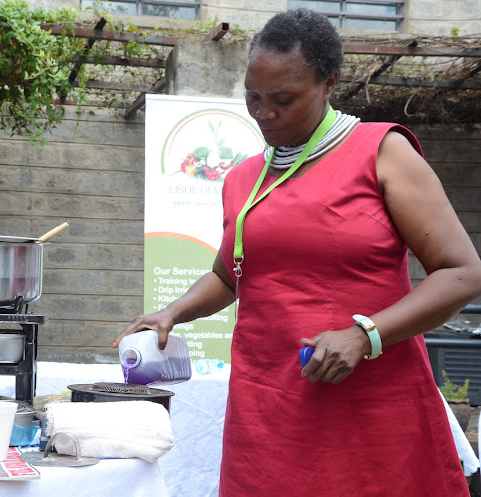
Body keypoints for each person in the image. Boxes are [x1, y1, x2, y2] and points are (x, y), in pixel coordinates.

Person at [113, 8, 481, 496]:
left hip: (368, 405)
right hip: (269, 408)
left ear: (329, 83)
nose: (264, 112)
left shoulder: (381, 152)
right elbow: (232, 275)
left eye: (284, 99)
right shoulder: (244, 178)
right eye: (253, 97)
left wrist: (363, 334)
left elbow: (462, 272)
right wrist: (173, 312)